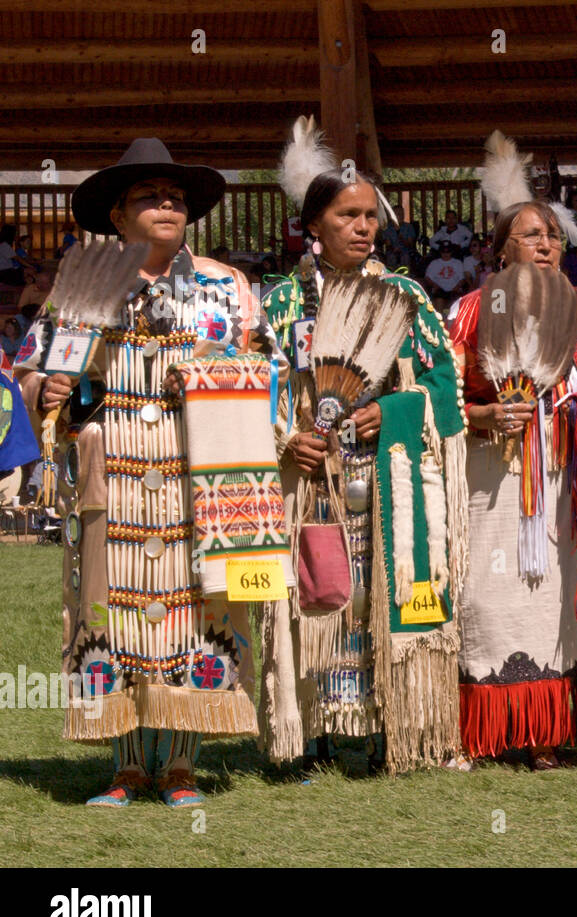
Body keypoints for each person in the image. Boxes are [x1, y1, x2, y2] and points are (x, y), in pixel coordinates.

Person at [14, 137, 284, 807]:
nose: (166, 205)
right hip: (113, 473)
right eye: (149, 196)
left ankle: (182, 766)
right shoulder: (82, 283)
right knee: (112, 612)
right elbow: (32, 372)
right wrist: (52, 392)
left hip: (200, 469)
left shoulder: (226, 286)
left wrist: (208, 378)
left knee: (196, 611)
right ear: (117, 217)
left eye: (175, 198)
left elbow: (266, 376)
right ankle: (128, 766)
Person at [259, 116, 467, 774]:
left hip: (391, 476)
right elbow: (258, 387)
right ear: (313, 225)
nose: (363, 227)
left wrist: (397, 408)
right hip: (314, 482)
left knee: (392, 593)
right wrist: (286, 439)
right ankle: (315, 737)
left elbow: (445, 384)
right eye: (347, 215)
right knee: (317, 599)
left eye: (370, 216)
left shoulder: (405, 296)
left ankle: (392, 730)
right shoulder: (284, 305)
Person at [448, 131, 577, 770]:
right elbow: (439, 400)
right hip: (494, 482)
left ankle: (553, 730)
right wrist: (484, 413)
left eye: (553, 237)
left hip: (574, 489)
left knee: (559, 601)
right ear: (500, 248)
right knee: (493, 601)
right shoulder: (469, 310)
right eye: (530, 235)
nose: (545, 244)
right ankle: (492, 729)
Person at [423, 240, 469, 309]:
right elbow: (427, 277)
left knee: (455, 302)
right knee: (439, 300)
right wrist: (434, 286)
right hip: (439, 291)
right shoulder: (434, 263)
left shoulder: (458, 263)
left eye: (448, 251)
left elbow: (463, 279)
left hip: (454, 290)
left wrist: (457, 287)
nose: (445, 253)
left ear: (452, 251)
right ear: (440, 252)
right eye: (443, 251)